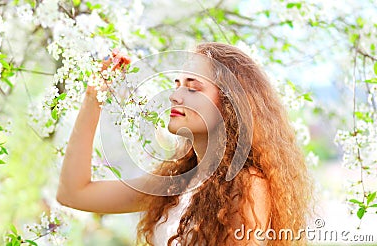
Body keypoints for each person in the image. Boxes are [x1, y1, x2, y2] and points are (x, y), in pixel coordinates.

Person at [56, 42, 313, 245]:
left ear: (230, 104)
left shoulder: (246, 185)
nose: (175, 95)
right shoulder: (175, 182)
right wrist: (94, 98)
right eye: (176, 84)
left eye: (193, 88)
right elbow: (73, 193)